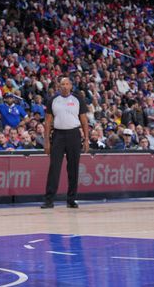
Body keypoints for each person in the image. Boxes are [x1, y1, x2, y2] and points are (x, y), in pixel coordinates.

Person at [42, 77, 90, 209]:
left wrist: (86, 139)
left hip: (74, 135)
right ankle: (49, 200)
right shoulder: (53, 100)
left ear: (71, 86)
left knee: (73, 169)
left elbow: (84, 120)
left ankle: (71, 199)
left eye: (67, 84)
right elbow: (47, 122)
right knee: (54, 168)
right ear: (59, 86)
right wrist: (46, 141)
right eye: (62, 84)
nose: (64, 86)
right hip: (58, 135)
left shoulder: (77, 99)